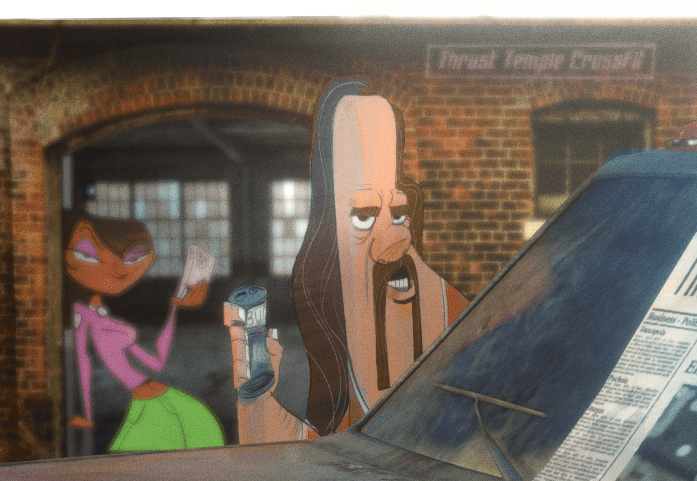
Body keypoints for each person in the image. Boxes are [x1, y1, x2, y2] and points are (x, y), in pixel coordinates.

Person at [228, 79, 468, 443]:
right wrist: (257, 402)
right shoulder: (342, 329)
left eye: (399, 215)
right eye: (363, 219)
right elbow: (326, 453)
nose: (393, 240)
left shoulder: (446, 306)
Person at [65, 211, 224, 452]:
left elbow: (156, 362)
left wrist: (174, 309)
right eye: (88, 254)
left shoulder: (105, 316)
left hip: (153, 392)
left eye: (131, 258)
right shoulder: (82, 313)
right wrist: (86, 414)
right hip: (144, 396)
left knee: (197, 437)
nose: (118, 269)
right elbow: (83, 360)